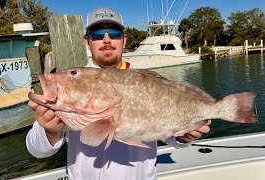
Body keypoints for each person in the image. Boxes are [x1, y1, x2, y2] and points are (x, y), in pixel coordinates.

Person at [26, 7, 211, 180]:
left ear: (124, 39)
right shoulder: (70, 86)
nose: (106, 40)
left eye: (114, 34)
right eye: (97, 35)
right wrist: (50, 132)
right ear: (87, 41)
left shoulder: (148, 82)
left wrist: (183, 137)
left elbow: (171, 137)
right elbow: (37, 150)